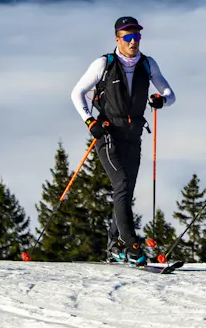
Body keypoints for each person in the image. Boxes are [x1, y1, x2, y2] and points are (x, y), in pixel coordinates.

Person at [71, 15, 176, 267]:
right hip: (108, 135)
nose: (133, 41)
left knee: (125, 192)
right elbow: (77, 93)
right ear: (117, 39)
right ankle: (131, 246)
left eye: (136, 36)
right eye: (127, 37)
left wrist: (161, 100)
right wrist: (90, 121)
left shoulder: (147, 64)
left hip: (134, 136)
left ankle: (114, 244)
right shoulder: (104, 64)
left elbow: (170, 94)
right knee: (122, 183)